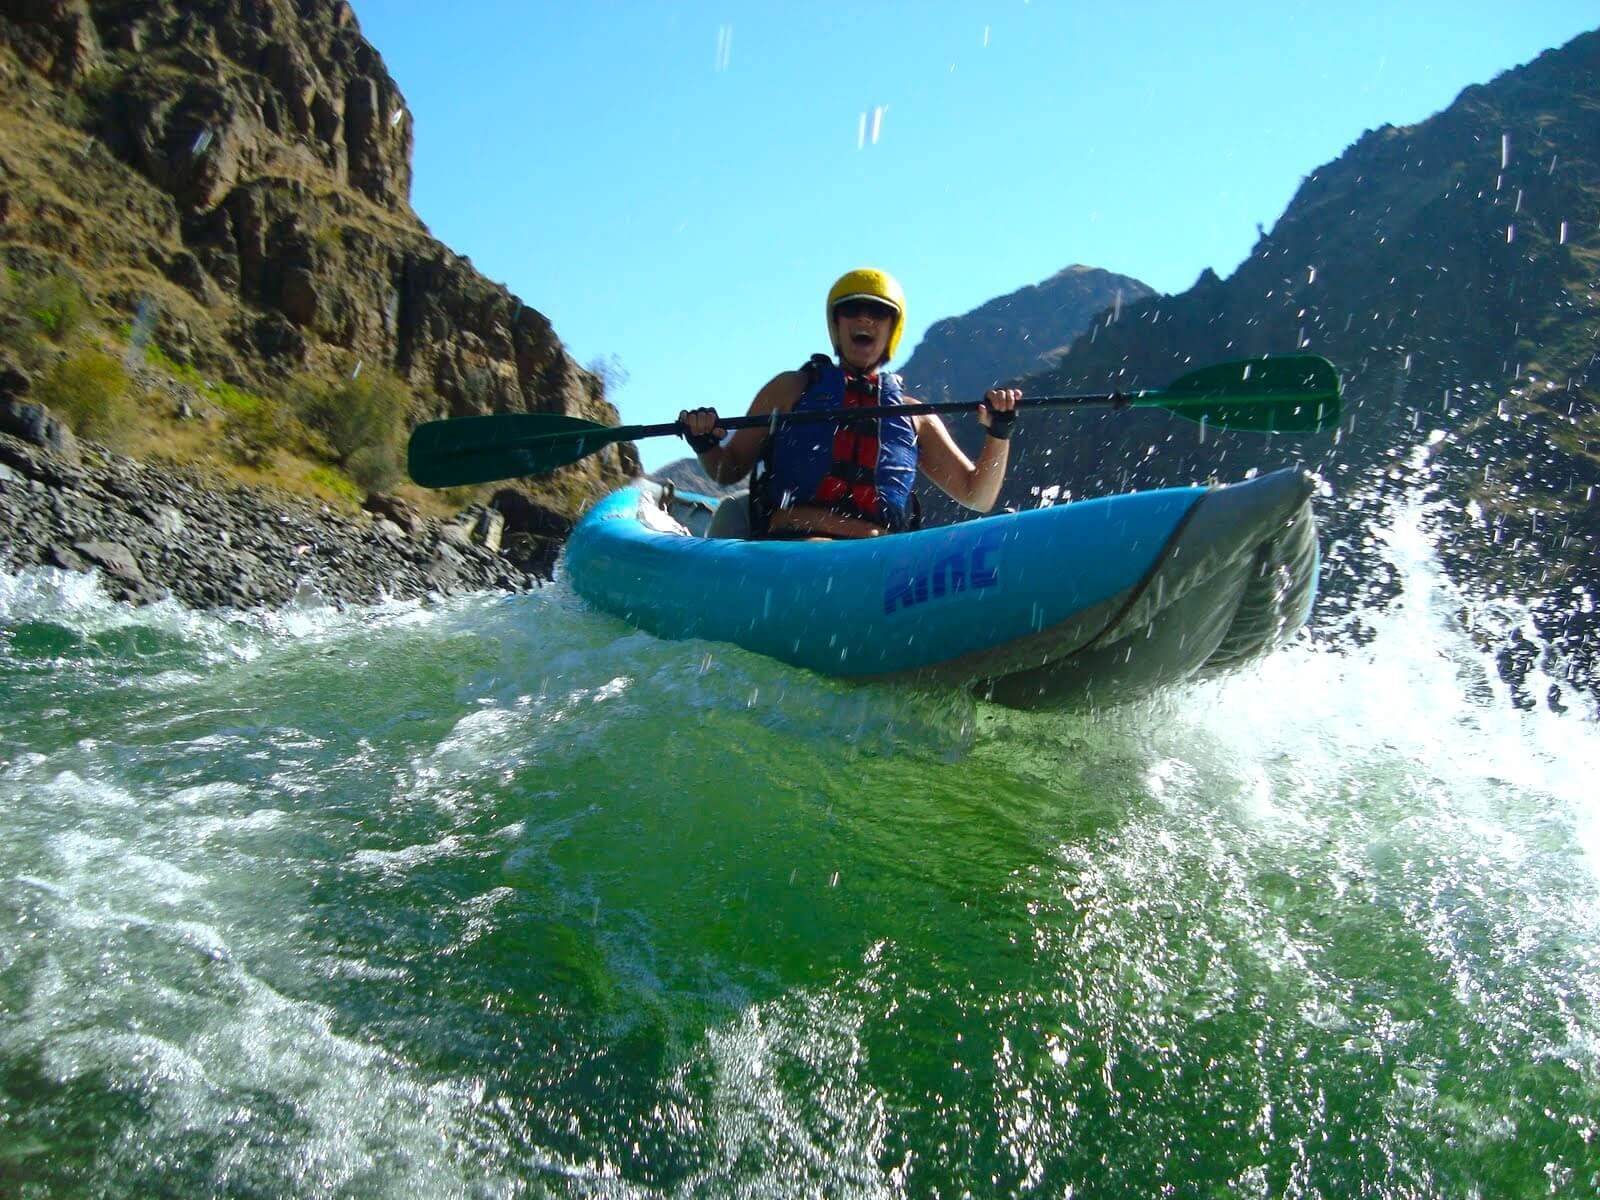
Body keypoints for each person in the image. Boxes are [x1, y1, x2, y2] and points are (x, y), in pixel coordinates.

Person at [678, 268, 1020, 539]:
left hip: (876, 561)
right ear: (836, 326)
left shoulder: (915, 417)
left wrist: (999, 432)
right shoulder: (789, 390)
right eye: (852, 310)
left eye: (877, 312)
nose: (864, 319)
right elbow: (728, 470)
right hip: (792, 549)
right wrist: (706, 443)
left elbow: (978, 496)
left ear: (891, 329)